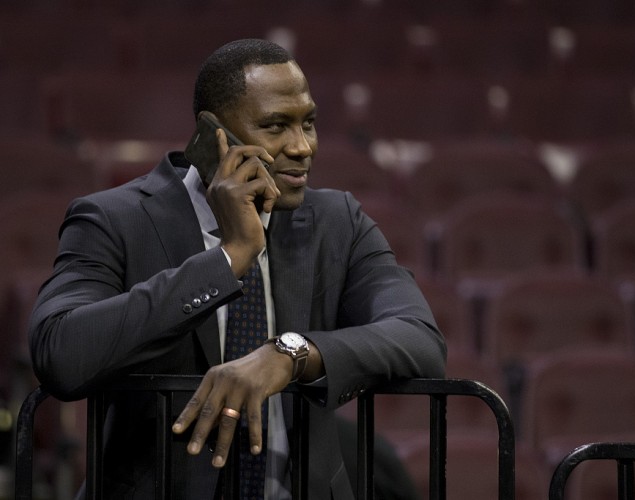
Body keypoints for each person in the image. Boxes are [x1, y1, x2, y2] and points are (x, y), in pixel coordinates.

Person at [28, 39, 445, 499]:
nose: (302, 146)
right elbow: (60, 353)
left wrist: (289, 355)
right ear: (213, 134)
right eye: (276, 126)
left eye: (308, 123)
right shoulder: (115, 220)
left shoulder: (337, 222)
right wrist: (228, 258)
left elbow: (419, 338)